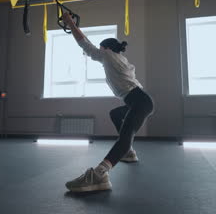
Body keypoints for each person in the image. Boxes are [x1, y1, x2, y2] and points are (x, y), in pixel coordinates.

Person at [61, 12, 154, 193]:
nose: (97, 52)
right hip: (139, 100)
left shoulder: (109, 56)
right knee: (116, 114)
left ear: (105, 48)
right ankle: (128, 153)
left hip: (139, 101)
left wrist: (70, 23)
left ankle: (100, 174)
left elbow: (85, 44)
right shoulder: (120, 58)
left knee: (125, 137)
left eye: (100, 48)